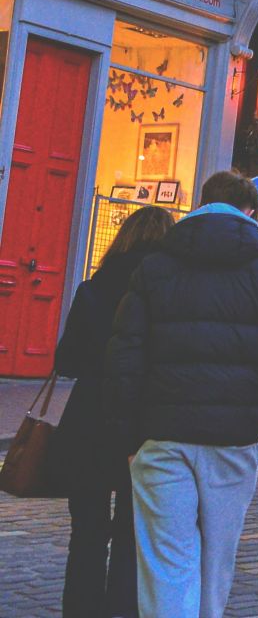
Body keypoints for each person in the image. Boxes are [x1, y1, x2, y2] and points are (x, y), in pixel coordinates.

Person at [106, 171, 258, 618]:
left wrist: (126, 434)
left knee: (165, 558)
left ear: (201, 203)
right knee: (217, 557)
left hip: (160, 432)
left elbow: (125, 355)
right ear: (252, 213)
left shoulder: (155, 266)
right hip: (234, 436)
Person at [56, 204, 175, 618]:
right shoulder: (166, 295)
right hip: (142, 424)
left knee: (86, 532)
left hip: (89, 418)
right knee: (131, 532)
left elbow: (66, 360)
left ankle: (80, 610)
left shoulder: (93, 288)